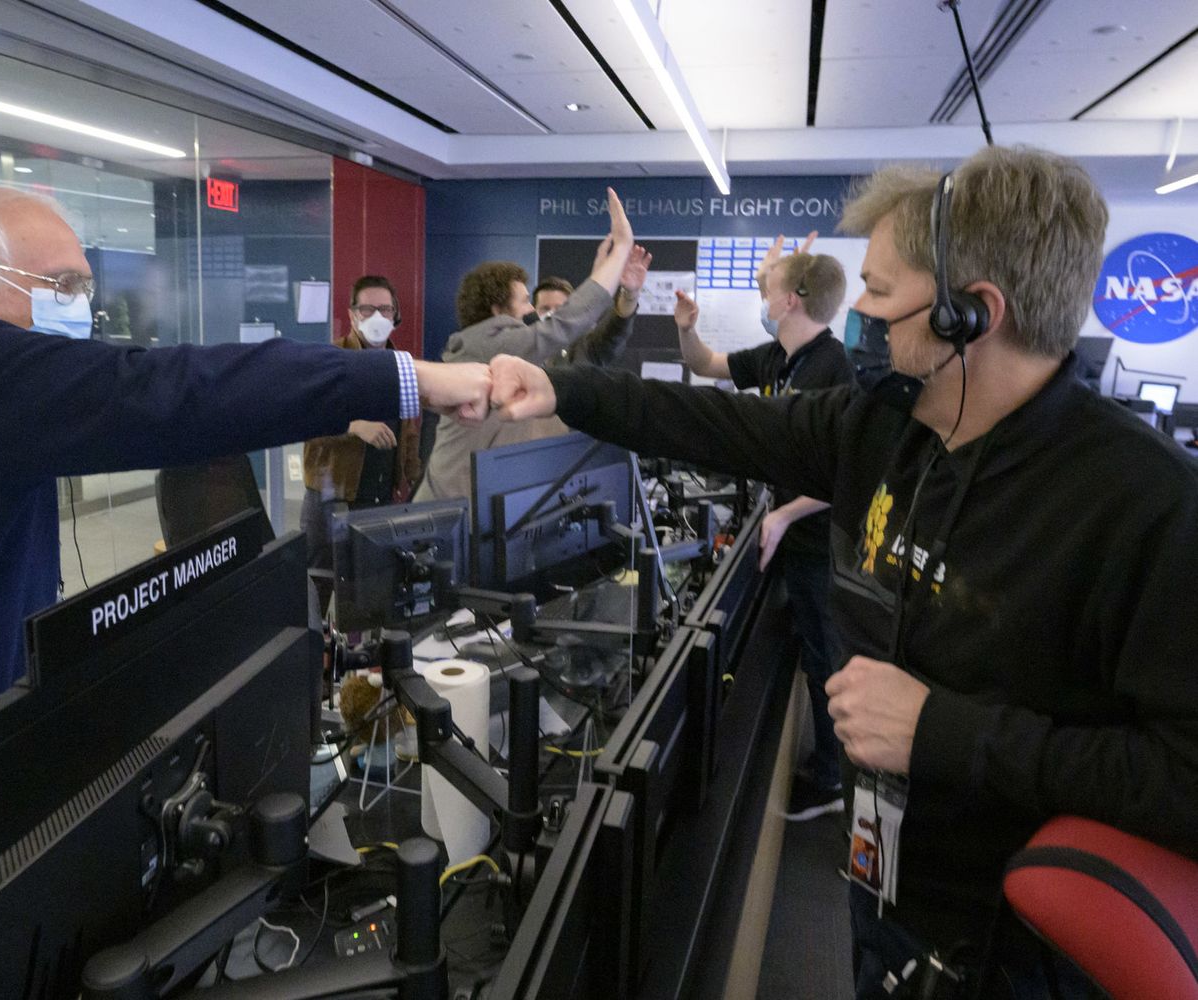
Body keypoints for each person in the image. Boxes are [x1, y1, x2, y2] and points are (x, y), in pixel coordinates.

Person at [488, 145, 1198, 999]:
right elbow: (709, 422)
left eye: (882, 291)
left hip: (1022, 954)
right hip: (883, 886)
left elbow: (1183, 779)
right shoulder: (886, 426)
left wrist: (940, 731)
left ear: (971, 315)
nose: (860, 310)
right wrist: (559, 388)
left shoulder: (1149, 504)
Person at [0, 186, 491, 843]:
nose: (78, 309)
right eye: (59, 286)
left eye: (84, 288)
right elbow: (159, 394)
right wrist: (406, 379)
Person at [676, 236, 856, 822]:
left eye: (767, 287)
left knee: (826, 660)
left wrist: (783, 513)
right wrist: (686, 328)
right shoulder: (778, 356)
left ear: (792, 300)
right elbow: (704, 364)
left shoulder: (835, 368)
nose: (761, 293)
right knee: (811, 652)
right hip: (793, 538)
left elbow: (848, 472)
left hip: (820, 544)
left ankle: (832, 781)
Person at [415, 187, 645, 502]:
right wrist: (620, 251)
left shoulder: (519, 351)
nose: (532, 311)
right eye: (525, 301)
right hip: (454, 511)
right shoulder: (485, 345)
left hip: (486, 506)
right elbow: (565, 324)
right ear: (497, 310)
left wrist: (616, 284)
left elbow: (590, 335)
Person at [301, 275, 422, 614]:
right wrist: (353, 426)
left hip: (379, 497)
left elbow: (409, 430)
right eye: (367, 309)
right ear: (353, 315)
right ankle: (315, 647)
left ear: (396, 315)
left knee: (370, 595)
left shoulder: (402, 364)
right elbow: (306, 419)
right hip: (333, 497)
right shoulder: (330, 358)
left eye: (385, 309)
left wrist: (410, 476)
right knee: (317, 590)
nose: (377, 317)